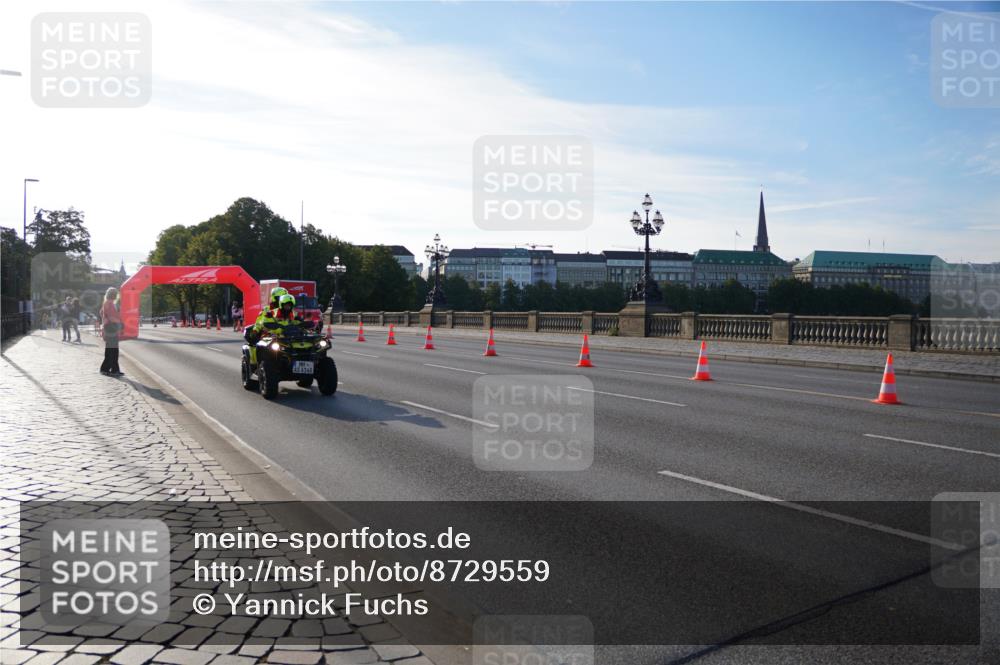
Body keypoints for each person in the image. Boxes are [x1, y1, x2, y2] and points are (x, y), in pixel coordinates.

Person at [99, 287, 123, 376]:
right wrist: (120, 322)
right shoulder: (109, 303)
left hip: (110, 327)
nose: (116, 295)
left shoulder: (108, 303)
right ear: (113, 295)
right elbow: (112, 316)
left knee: (113, 349)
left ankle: (114, 369)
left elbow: (101, 312)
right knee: (112, 349)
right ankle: (105, 369)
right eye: (115, 294)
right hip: (111, 327)